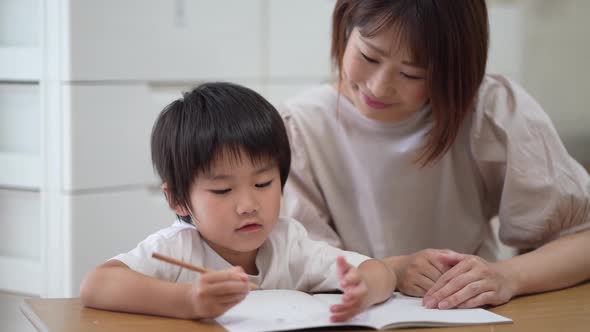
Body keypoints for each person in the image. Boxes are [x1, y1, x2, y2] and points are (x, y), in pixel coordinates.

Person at [279, 0, 590, 310]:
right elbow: (294, 264)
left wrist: (507, 276)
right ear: (346, 28)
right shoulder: (299, 128)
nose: (379, 87)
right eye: (368, 56)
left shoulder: (491, 111)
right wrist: (391, 270)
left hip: (468, 315)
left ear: (456, 70)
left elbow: (582, 238)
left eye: (412, 74)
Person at [79, 82, 396, 321]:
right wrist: (189, 300)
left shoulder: (288, 242)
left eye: (263, 183)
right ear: (178, 199)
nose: (248, 205)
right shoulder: (175, 248)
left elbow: (377, 272)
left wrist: (364, 289)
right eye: (222, 191)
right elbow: (96, 285)